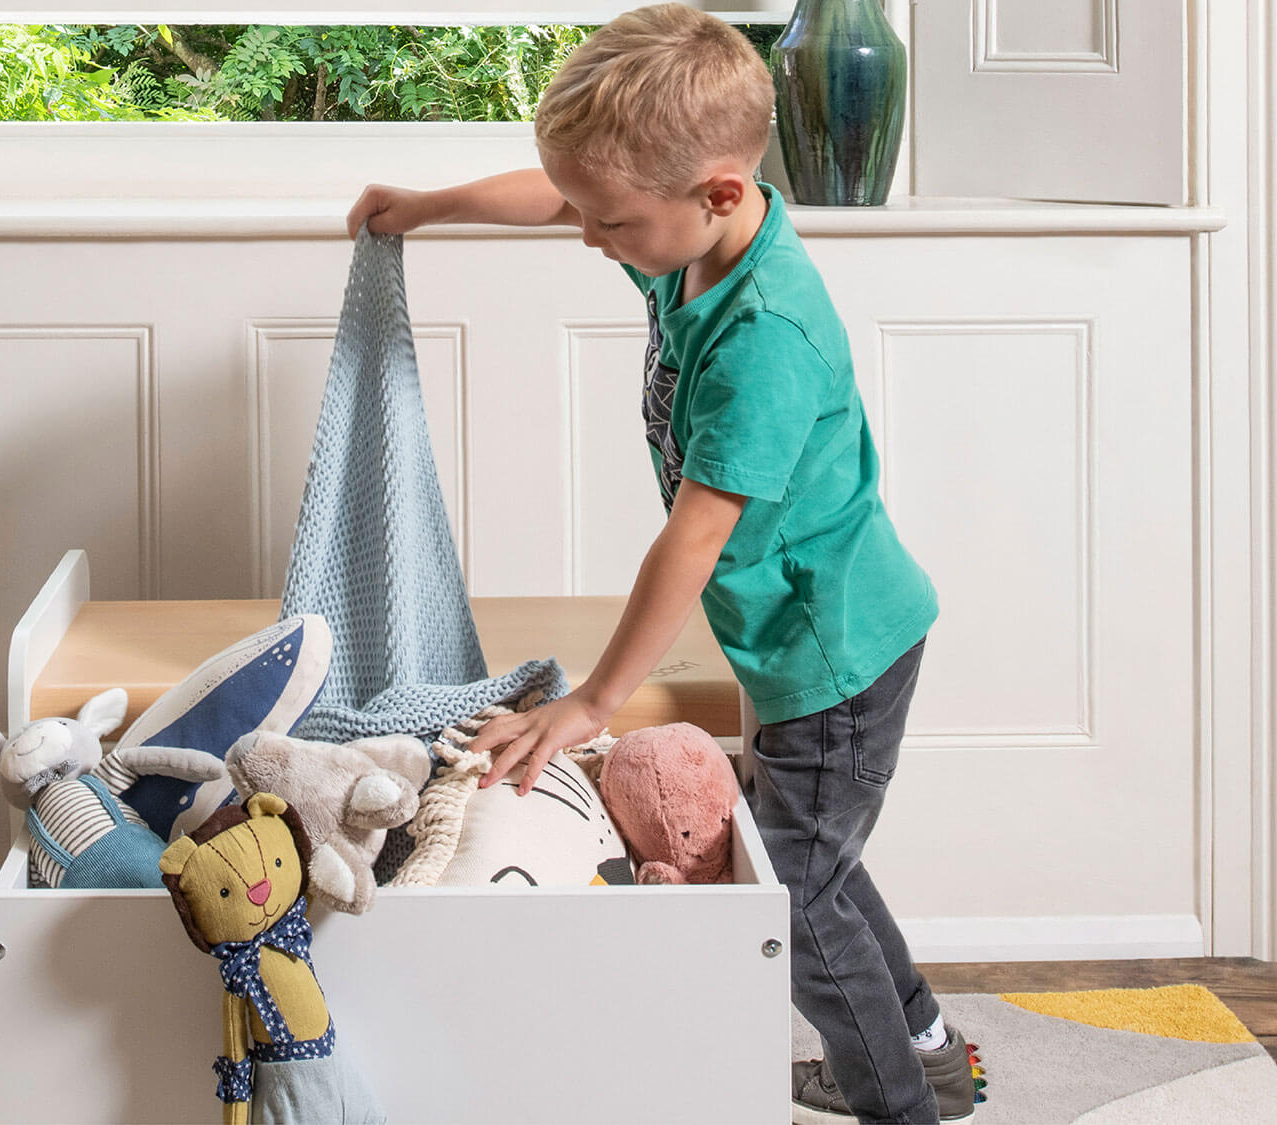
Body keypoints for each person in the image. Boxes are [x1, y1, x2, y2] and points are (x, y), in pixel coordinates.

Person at [343, 6, 974, 1122]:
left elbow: (696, 534)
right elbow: (557, 195)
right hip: (800, 644)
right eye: (589, 216)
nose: (591, 238)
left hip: (832, 654)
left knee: (792, 897)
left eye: (611, 222)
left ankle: (898, 1105)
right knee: (809, 858)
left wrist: (595, 700)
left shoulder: (763, 336)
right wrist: (428, 209)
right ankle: (920, 1041)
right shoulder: (687, 247)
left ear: (717, 191)